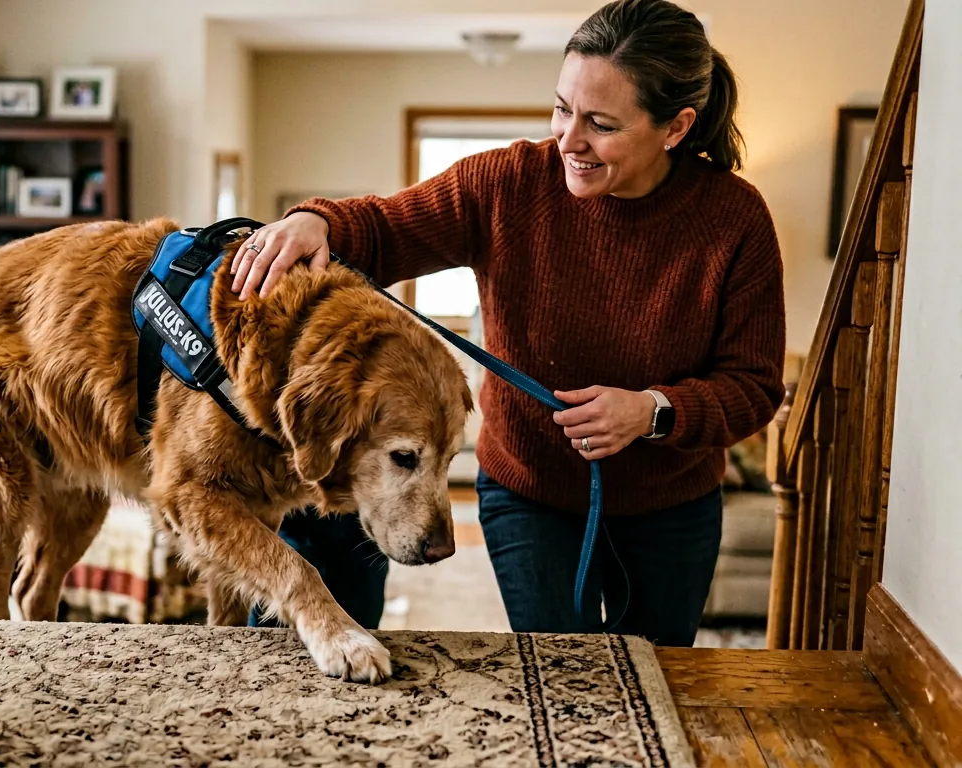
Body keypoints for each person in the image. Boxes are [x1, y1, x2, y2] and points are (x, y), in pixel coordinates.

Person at [231, 0, 786, 647]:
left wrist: (652, 411)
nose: (569, 140)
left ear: (675, 127)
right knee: (555, 669)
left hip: (672, 510)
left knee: (657, 676)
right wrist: (318, 220)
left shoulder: (734, 219)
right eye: (562, 108)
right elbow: (384, 227)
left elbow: (754, 386)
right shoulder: (506, 184)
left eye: (600, 124)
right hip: (530, 496)